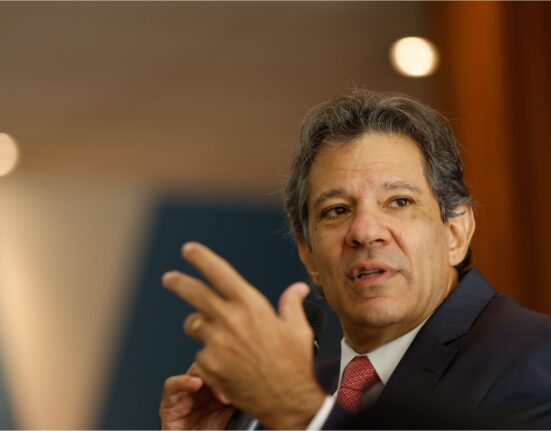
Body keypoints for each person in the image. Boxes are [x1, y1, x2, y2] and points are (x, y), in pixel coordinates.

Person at [159, 89, 551, 429]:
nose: (364, 231)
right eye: (337, 210)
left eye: (399, 202)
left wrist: (303, 416)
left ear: (456, 233)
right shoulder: (303, 392)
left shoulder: (535, 358)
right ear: (308, 256)